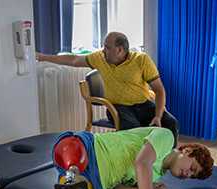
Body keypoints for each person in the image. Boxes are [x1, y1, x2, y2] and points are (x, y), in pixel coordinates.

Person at [51, 127, 213, 189]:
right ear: (187, 151)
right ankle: (72, 172)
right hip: (90, 149)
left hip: (97, 182)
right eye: (191, 168)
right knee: (74, 153)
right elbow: (141, 162)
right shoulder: (166, 137)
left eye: (192, 176)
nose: (187, 174)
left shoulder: (153, 177)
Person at [37, 32, 179, 142]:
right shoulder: (100, 58)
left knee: (171, 123)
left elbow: (159, 89)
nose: (103, 50)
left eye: (107, 47)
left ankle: (166, 160)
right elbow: (73, 60)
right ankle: (133, 167)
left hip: (143, 104)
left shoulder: (141, 60)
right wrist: (44, 57)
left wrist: (158, 116)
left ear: (120, 50)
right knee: (133, 130)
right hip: (118, 107)